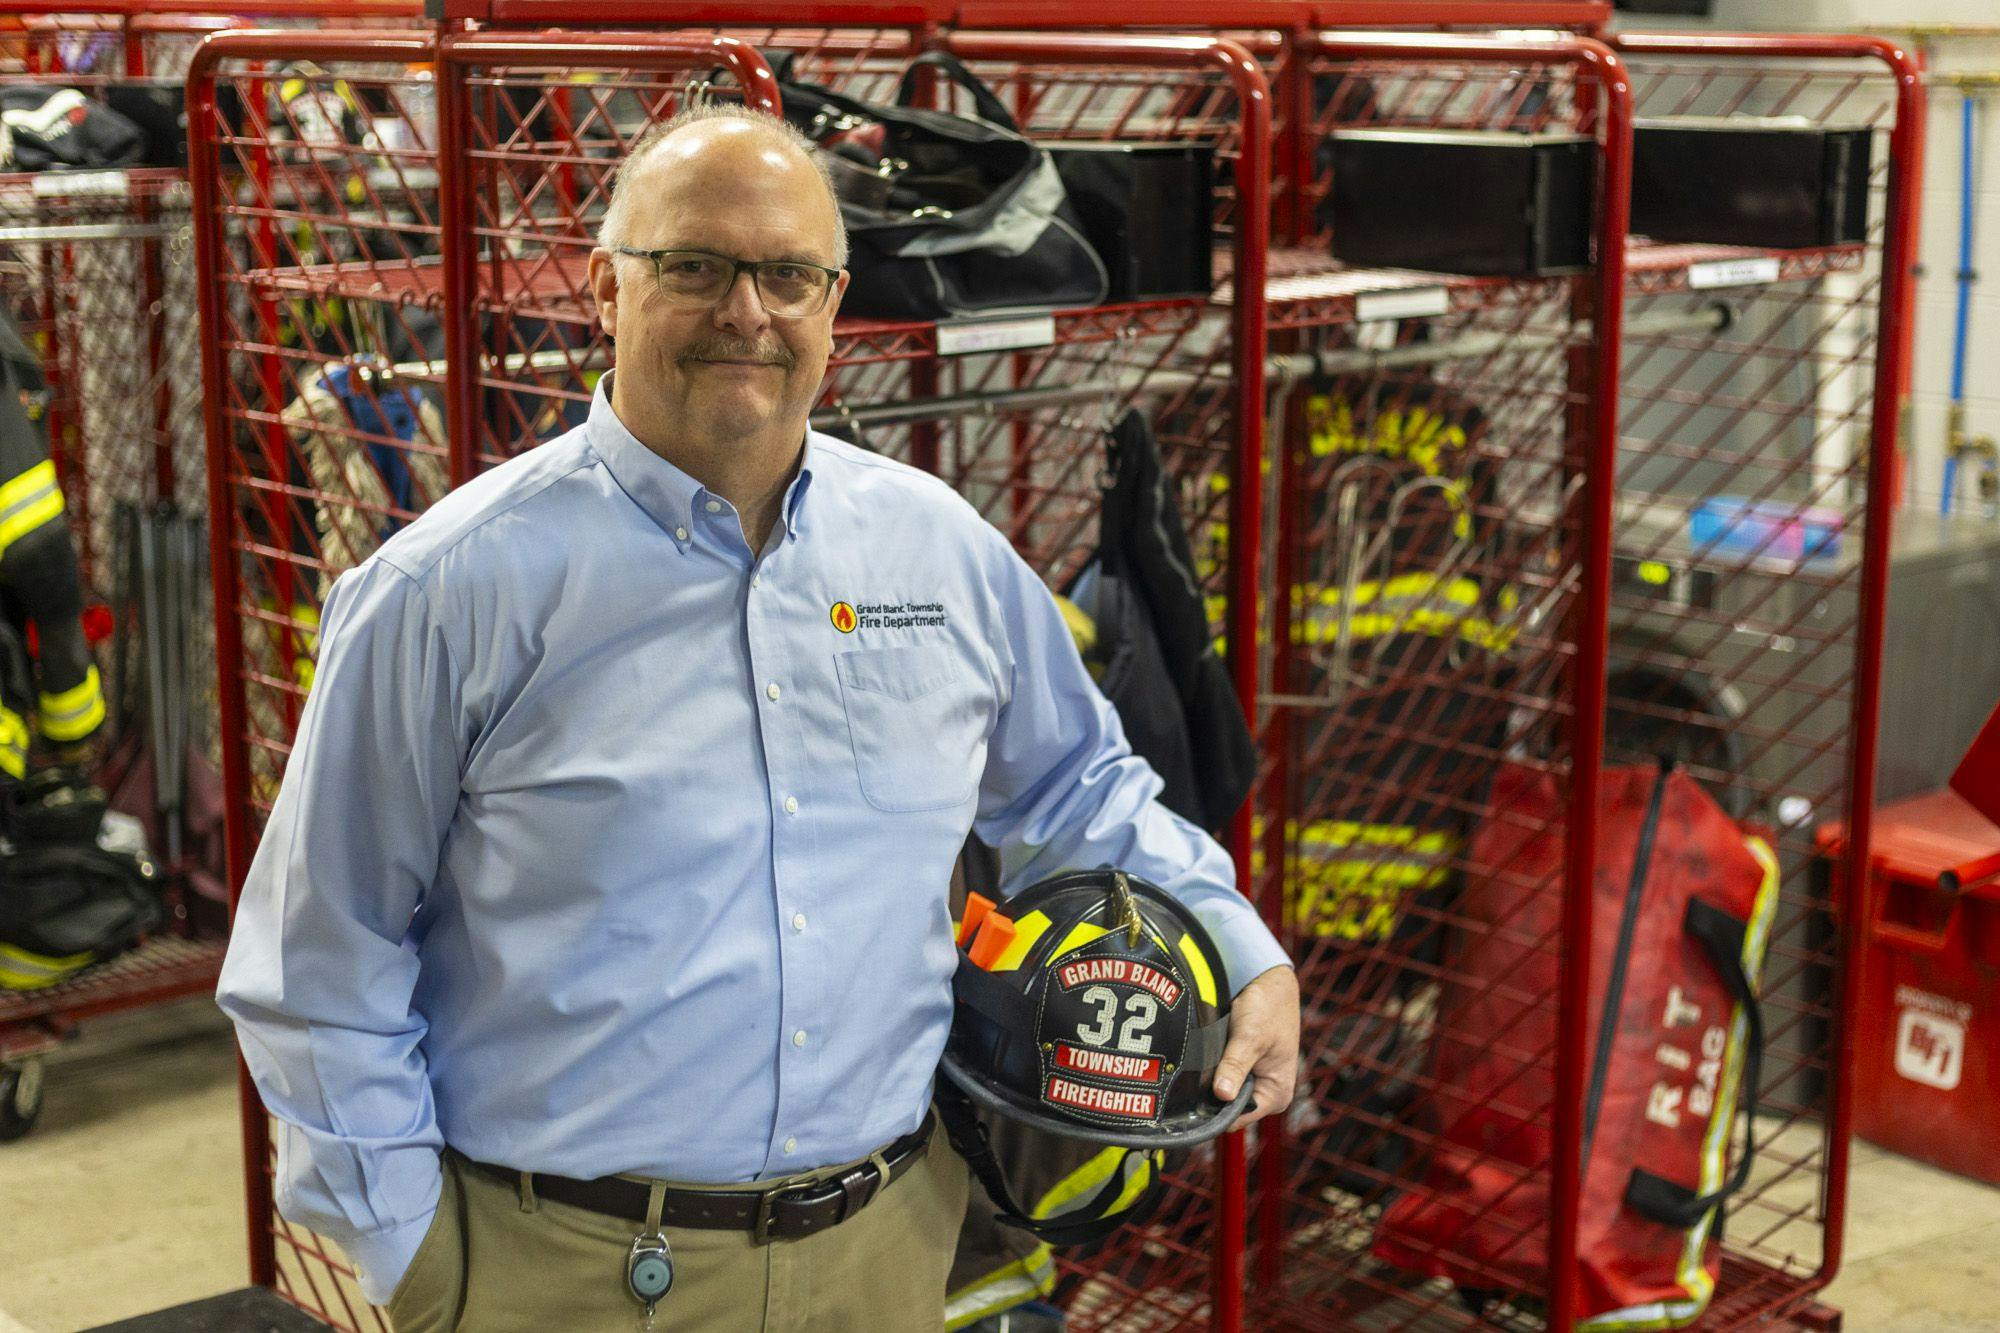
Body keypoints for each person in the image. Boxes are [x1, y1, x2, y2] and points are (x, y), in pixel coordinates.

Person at [216, 103, 1300, 1332]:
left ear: (833, 305)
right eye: (694, 267)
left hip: (887, 1252)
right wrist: (419, 1261)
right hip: (565, 1273)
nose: (748, 311)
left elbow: (1074, 791)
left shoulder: (935, 551)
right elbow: (319, 955)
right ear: (607, 289)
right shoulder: (449, 590)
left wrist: (1235, 938)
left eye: (787, 274)